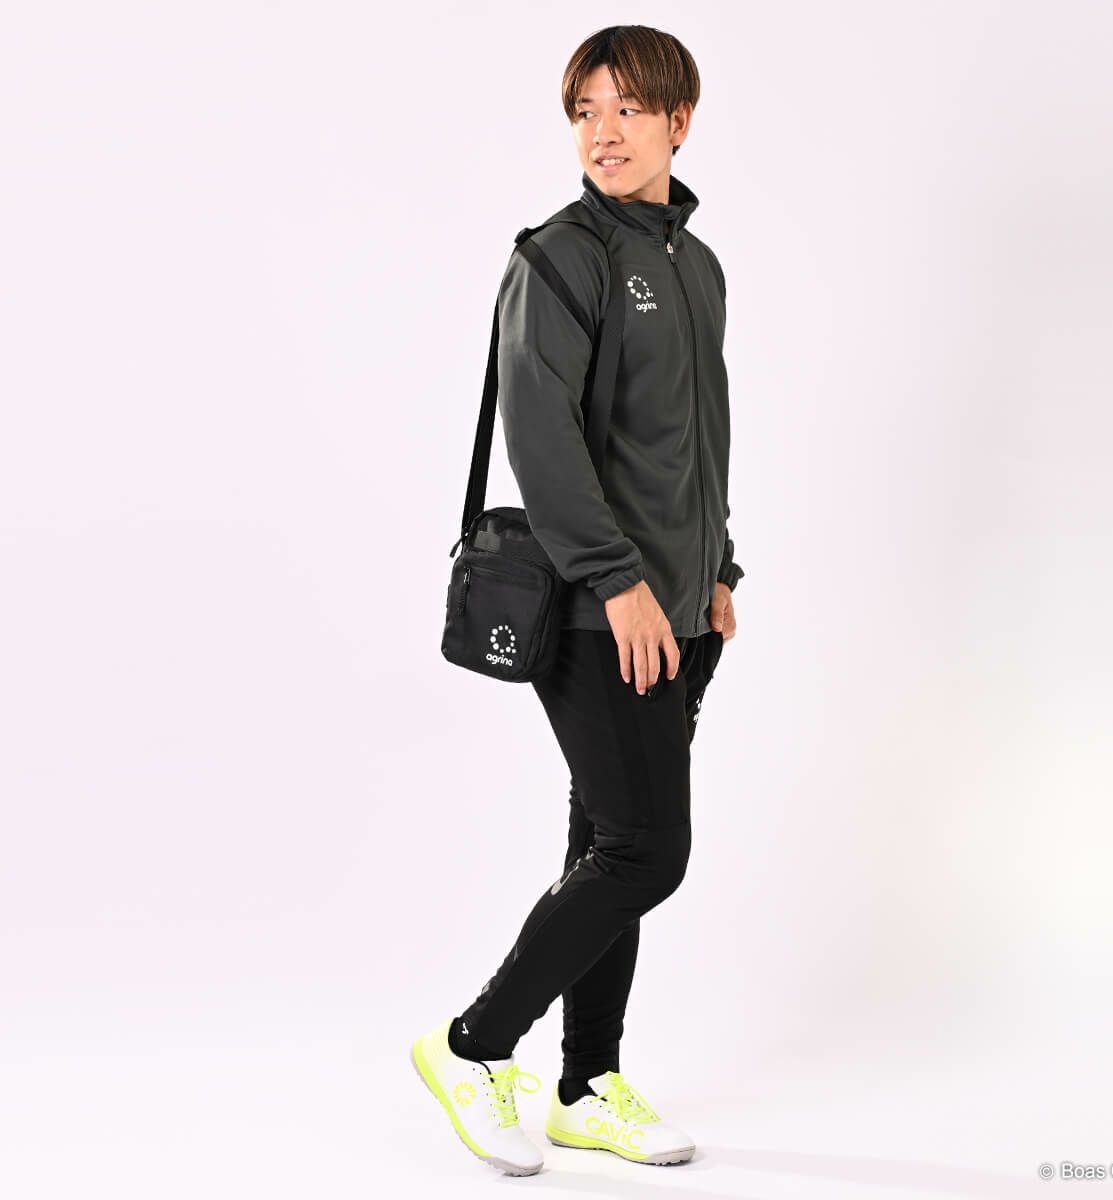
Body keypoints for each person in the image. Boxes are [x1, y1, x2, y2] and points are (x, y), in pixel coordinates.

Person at [410, 24, 746, 1176]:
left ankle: (586, 1082)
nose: (603, 132)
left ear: (678, 123)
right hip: (603, 611)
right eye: (585, 111)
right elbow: (541, 439)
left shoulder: (695, 266)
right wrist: (621, 580)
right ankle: (472, 1045)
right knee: (647, 852)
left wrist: (718, 569)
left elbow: (694, 439)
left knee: (605, 841)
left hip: (679, 611)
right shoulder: (560, 257)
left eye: (628, 109)